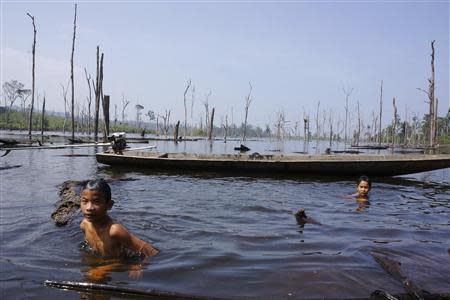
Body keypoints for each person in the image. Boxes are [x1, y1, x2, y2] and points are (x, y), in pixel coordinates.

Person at [79, 179, 159, 280]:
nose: (89, 207)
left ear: (109, 205)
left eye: (97, 202)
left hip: (120, 265)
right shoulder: (84, 225)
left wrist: (139, 265)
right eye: (84, 201)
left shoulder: (114, 231)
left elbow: (152, 252)